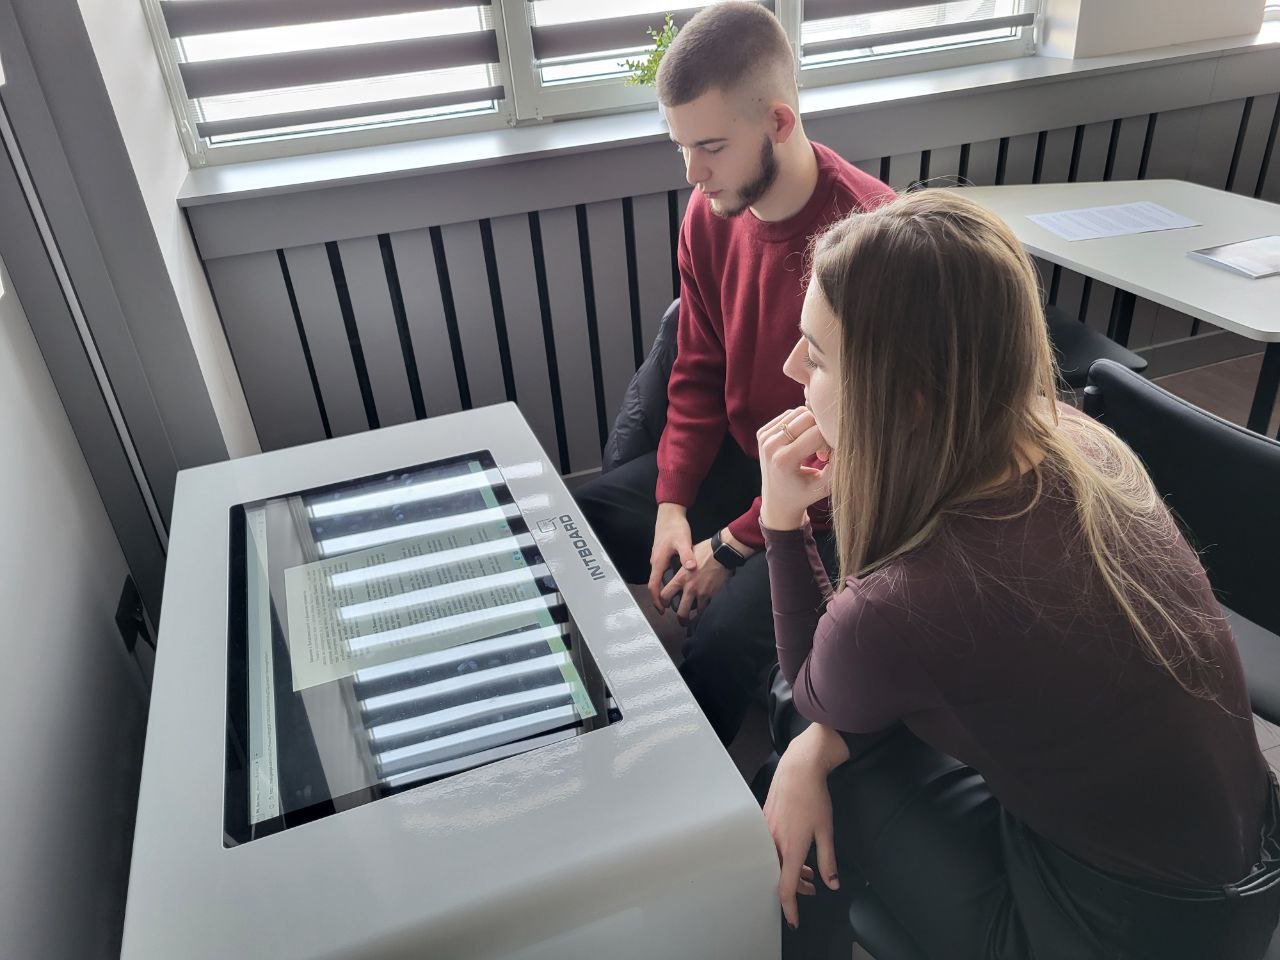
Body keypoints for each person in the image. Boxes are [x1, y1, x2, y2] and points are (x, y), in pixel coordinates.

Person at [756, 190, 1280, 959]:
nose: (791, 367)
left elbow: (811, 685)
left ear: (907, 397)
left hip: (1117, 934)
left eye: (818, 354)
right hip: (1243, 868)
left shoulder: (910, 600)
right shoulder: (1075, 437)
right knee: (836, 724)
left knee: (795, 717)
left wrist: (780, 520)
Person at [573, 2, 893, 746]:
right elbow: (695, 371)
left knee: (717, 646)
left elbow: (863, 447)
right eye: (681, 146)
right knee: (583, 523)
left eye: (711, 146)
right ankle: (584, 724)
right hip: (745, 457)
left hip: (836, 497)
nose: (693, 172)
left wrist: (735, 544)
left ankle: (691, 784)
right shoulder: (709, 212)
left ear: (778, 122)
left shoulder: (869, 242)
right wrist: (673, 505)